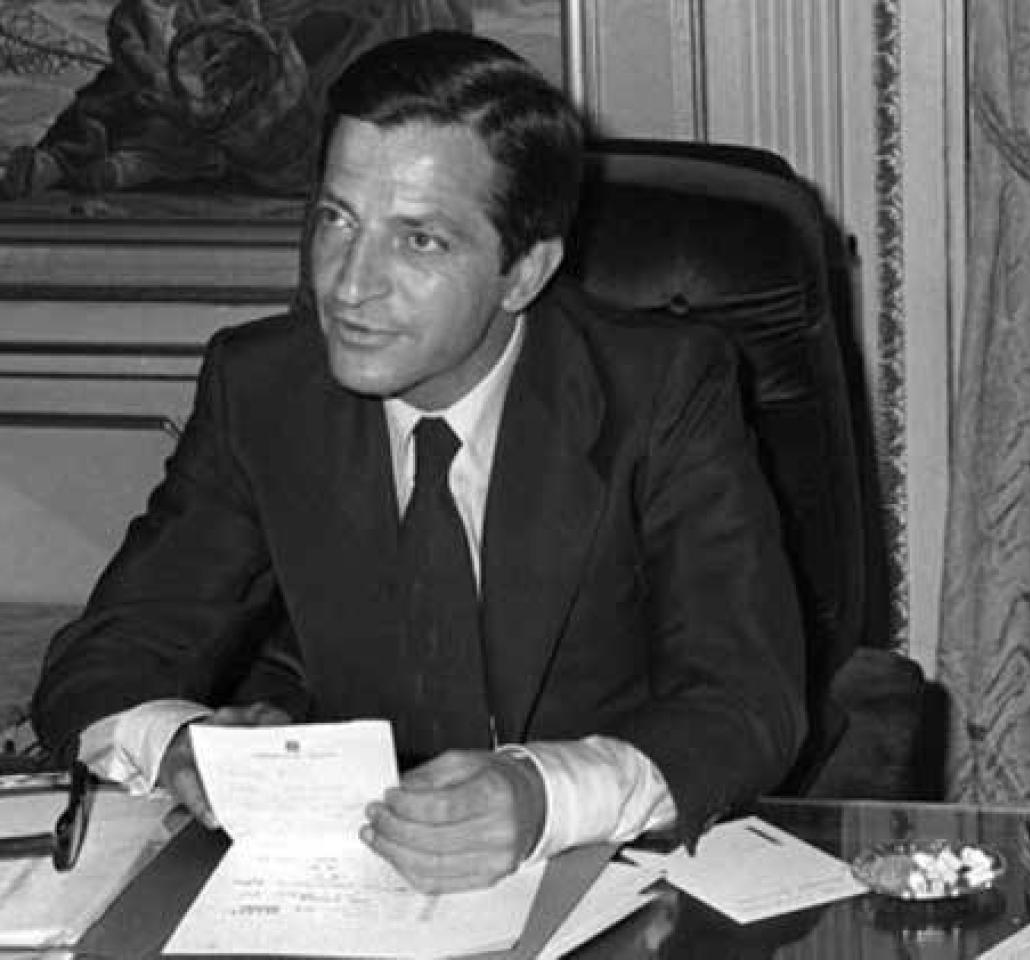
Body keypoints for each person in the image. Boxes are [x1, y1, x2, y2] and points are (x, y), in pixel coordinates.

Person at [30, 30, 806, 893]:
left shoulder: (661, 390)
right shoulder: (262, 390)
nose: (348, 285)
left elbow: (746, 701)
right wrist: (180, 746)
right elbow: (101, 664)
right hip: (349, 887)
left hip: (607, 880)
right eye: (337, 219)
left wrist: (540, 794)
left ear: (524, 272)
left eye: (420, 241)